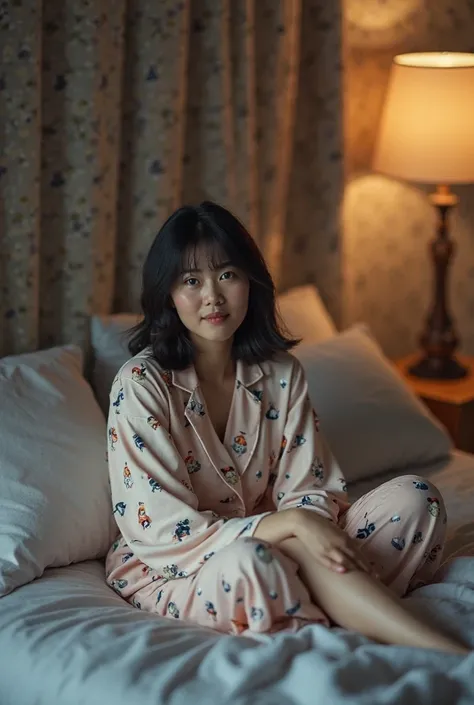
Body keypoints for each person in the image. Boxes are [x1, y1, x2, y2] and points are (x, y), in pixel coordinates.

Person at [105, 201, 468, 654]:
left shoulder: (282, 372)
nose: (213, 296)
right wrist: (287, 524)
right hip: (182, 566)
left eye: (227, 275)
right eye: (191, 281)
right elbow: (163, 532)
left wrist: (299, 524)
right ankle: (438, 648)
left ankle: (318, 605)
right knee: (253, 560)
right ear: (168, 294)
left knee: (418, 499)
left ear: (250, 282)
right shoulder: (141, 385)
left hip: (289, 546)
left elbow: (311, 488)